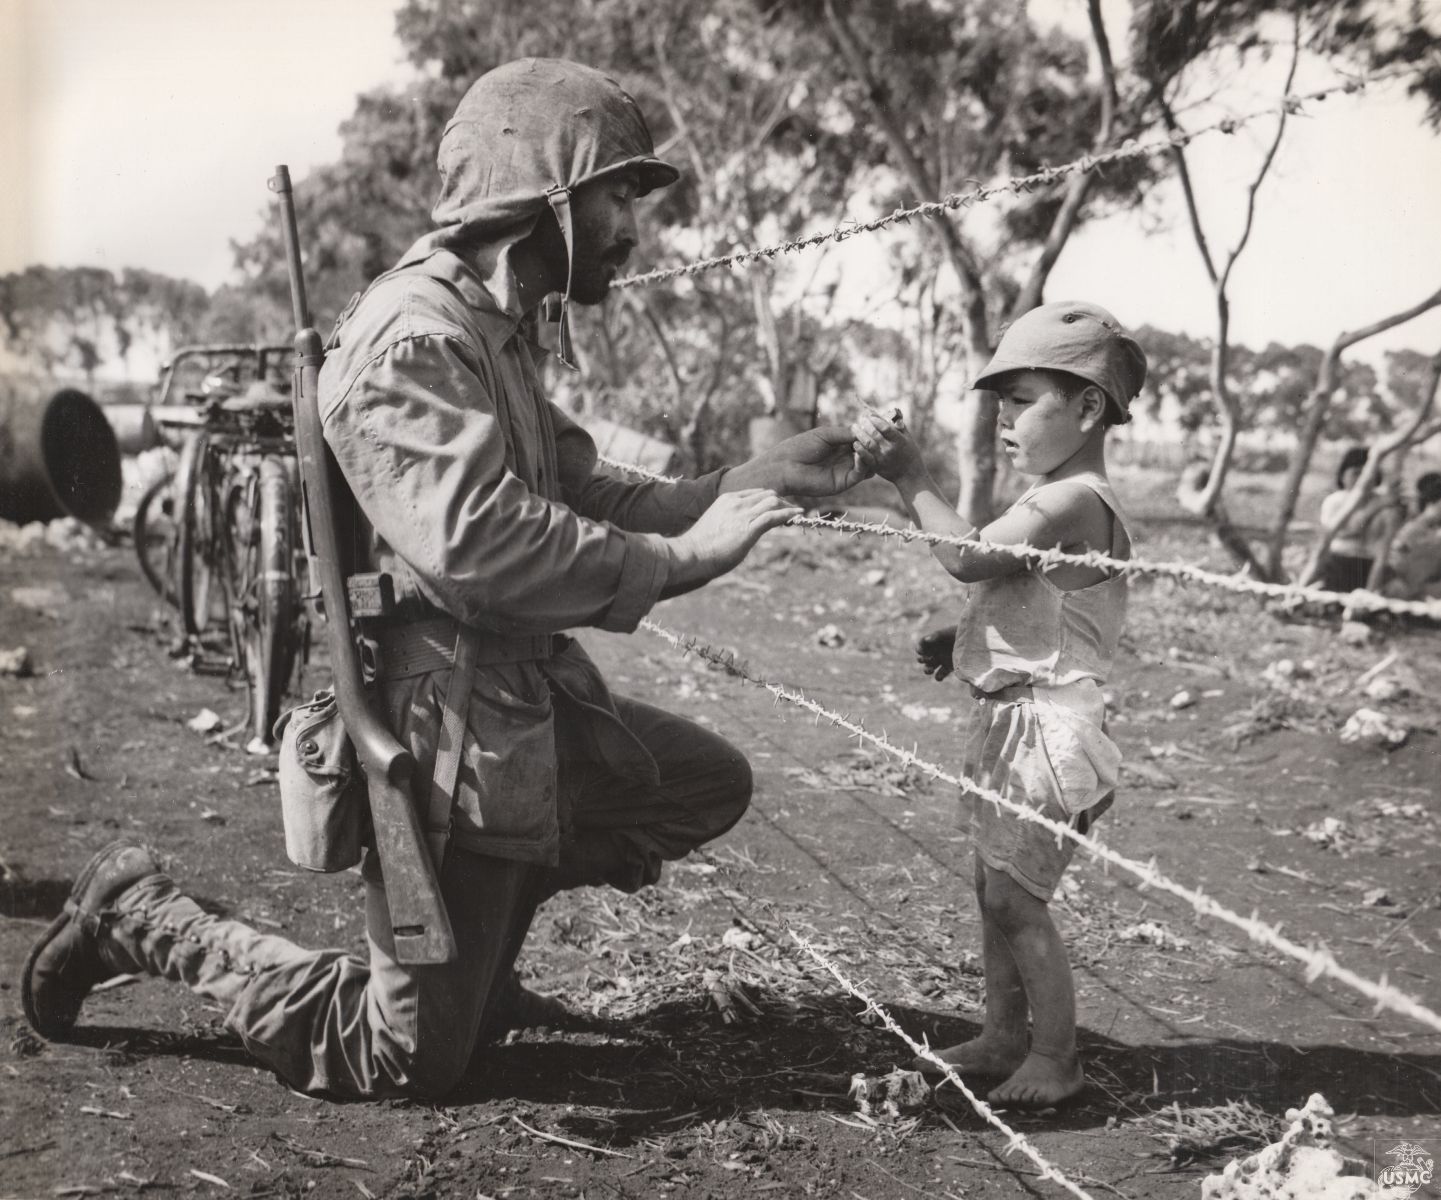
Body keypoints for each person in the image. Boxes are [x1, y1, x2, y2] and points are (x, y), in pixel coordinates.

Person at [21, 58, 867, 1100]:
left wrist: (745, 480)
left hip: (518, 700)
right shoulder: (415, 337)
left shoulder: (492, 325)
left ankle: (473, 956)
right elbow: (480, 543)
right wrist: (680, 562)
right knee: (399, 1062)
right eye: (613, 196)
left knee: (696, 785)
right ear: (542, 201)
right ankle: (141, 917)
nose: (630, 229)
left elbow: (581, 488)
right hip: (443, 729)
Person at [851, 301, 1145, 1108]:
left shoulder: (1074, 499)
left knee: (1017, 898)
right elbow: (1031, 598)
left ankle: (1054, 1059)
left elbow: (973, 558)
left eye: (1025, 401)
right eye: (1001, 405)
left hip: (1051, 734)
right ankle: (1000, 1036)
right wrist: (965, 641)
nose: (1005, 422)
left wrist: (910, 476)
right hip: (1014, 720)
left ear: (1087, 407)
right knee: (992, 888)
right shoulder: (1053, 497)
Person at [1315, 445, 1402, 592]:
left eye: (1366, 474)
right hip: (1340, 561)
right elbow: (1345, 532)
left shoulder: (1382, 501)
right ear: (1343, 475)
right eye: (1355, 473)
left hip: (1371, 564)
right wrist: (1375, 507)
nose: (1362, 480)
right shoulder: (1335, 501)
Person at [1385, 471, 1441, 599]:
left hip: (1429, 591)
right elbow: (1396, 564)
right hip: (1407, 589)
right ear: (1432, 502)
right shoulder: (1410, 530)